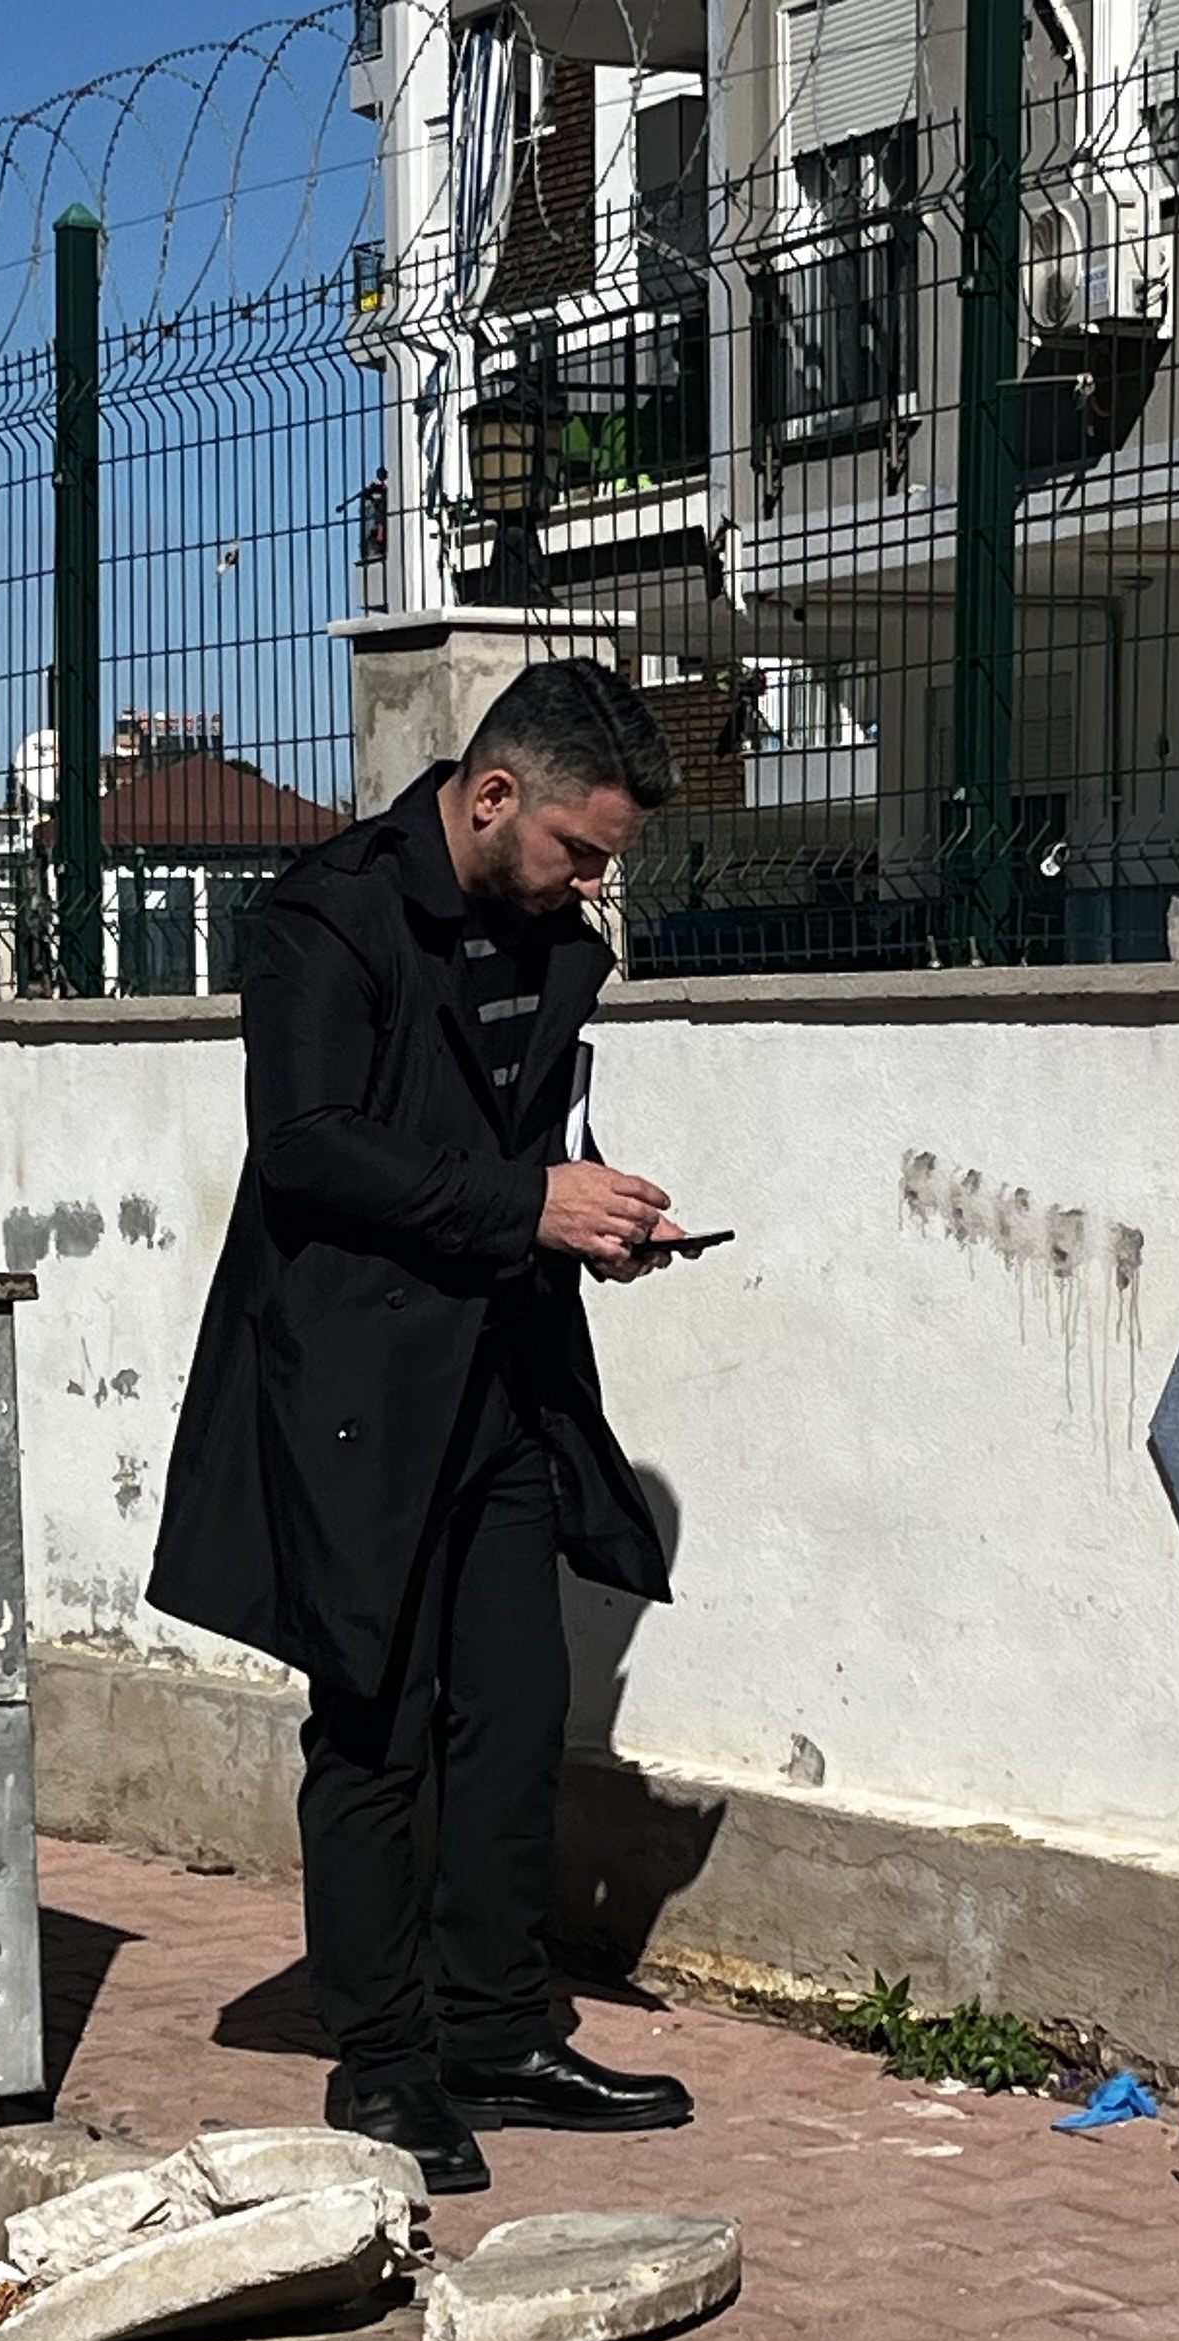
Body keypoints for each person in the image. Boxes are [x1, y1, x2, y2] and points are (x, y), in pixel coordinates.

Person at [147, 661, 696, 2195]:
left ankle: (498, 2033)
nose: (596, 884)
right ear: (494, 793)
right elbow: (312, 1150)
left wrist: (591, 1213)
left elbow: (526, 1134)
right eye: (583, 850)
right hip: (352, 1398)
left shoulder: (547, 933)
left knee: (515, 1717)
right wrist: (530, 1204)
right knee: (376, 1730)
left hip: (503, 1376)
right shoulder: (329, 917)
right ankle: (383, 2068)